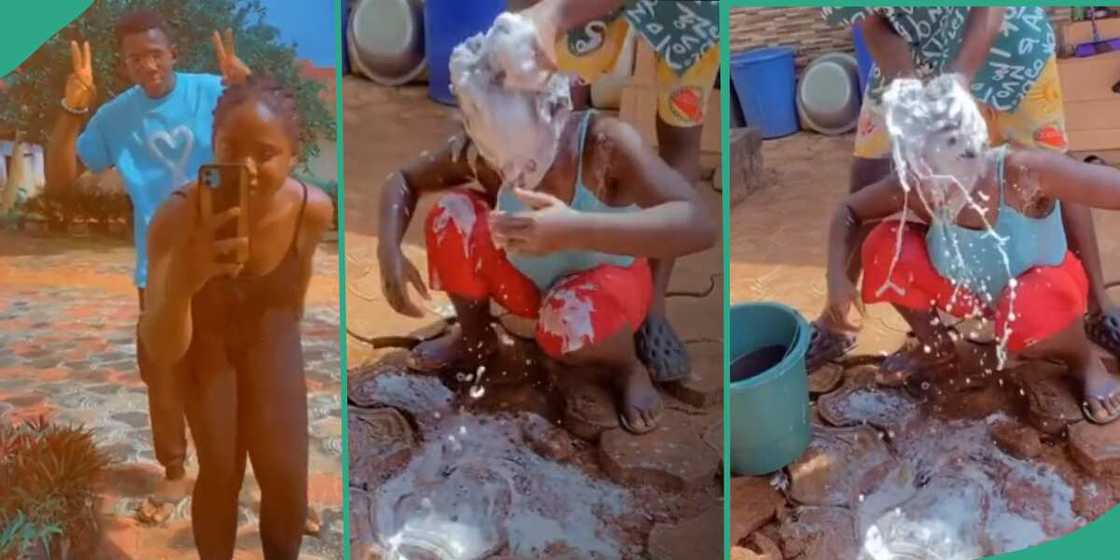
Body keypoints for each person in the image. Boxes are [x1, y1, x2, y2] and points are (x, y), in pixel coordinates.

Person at [376, 29, 716, 434]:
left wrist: (575, 229)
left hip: (607, 290)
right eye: (500, 158)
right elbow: (402, 180)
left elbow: (699, 224)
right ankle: (475, 339)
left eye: (526, 159)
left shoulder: (605, 148)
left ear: (556, 115)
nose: (513, 171)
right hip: (529, 282)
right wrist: (388, 249)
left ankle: (626, 367)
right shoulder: (487, 150)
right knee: (453, 215)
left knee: (569, 316)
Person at [811, 7, 1120, 367]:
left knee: (1054, 165)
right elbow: (873, 20)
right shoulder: (919, 181)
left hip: (1006, 41)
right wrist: (906, 83)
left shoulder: (1022, 171)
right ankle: (844, 316)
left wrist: (958, 81)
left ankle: (1099, 309)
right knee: (869, 177)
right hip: (916, 52)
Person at [820, 75, 1120, 425]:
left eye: (943, 175)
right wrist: (837, 280)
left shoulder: (1023, 173)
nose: (931, 192)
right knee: (884, 245)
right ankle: (936, 348)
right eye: (918, 171)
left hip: (1041, 293)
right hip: (970, 288)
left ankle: (1085, 361)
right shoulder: (917, 184)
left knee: (1033, 302)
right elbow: (849, 212)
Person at [44, 9, 250, 482]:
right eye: (136, 58)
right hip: (158, 269)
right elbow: (59, 178)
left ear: (173, 52)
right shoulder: (115, 117)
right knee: (164, 377)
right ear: (124, 64)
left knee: (238, 376)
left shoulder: (214, 91)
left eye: (156, 54)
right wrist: (71, 109)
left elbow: (270, 134)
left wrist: (250, 87)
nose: (149, 66)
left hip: (225, 259)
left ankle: (254, 473)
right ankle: (175, 474)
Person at [139, 77, 333, 558]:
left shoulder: (311, 209)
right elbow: (162, 347)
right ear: (214, 144)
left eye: (264, 153)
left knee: (287, 478)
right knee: (221, 472)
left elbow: (297, 286)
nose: (244, 167)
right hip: (203, 350)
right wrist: (188, 275)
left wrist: (280, 350)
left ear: (293, 155)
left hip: (272, 341)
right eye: (230, 148)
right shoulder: (177, 219)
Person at [497, 0, 720, 383]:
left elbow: (699, 225)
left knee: (679, 134)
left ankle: (653, 306)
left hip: (690, 9)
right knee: (558, 91)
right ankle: (575, 269)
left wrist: (557, 15)